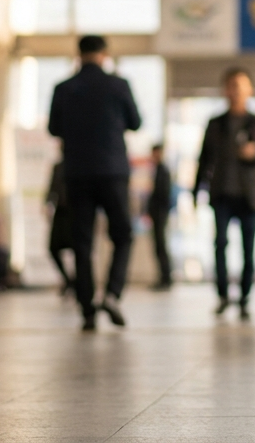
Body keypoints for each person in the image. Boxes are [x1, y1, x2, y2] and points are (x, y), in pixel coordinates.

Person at [48, 35, 142, 331]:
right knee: (123, 234)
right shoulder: (118, 85)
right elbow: (135, 122)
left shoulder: (63, 88)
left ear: (79, 55)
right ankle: (112, 294)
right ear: (104, 55)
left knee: (82, 242)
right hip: (113, 171)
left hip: (76, 173)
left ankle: (87, 308)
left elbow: (53, 128)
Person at [194, 68, 255, 320]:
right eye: (231, 86)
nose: (236, 92)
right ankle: (222, 295)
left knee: (248, 249)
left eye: (241, 86)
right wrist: (195, 190)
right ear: (224, 90)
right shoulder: (215, 123)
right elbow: (204, 159)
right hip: (222, 193)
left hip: (249, 194)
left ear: (249, 90)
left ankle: (244, 296)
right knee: (220, 244)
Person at [146, 143, 175, 291]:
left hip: (160, 213)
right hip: (158, 213)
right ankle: (164, 277)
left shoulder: (163, 170)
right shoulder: (158, 170)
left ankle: (166, 278)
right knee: (159, 246)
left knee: (161, 245)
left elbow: (163, 194)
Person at [45, 160, 75, 296]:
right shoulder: (58, 167)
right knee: (53, 248)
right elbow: (52, 187)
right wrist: (47, 203)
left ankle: (78, 282)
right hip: (61, 212)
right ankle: (68, 280)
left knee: (80, 249)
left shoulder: (80, 165)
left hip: (76, 212)